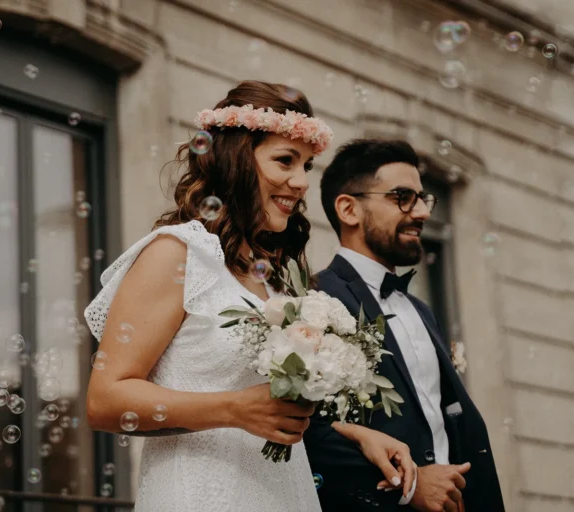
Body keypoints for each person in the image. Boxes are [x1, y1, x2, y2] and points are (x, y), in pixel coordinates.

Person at [84, 82, 416, 511]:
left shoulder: (275, 276)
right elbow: (105, 400)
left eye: (307, 166)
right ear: (237, 159)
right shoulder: (176, 254)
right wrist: (233, 409)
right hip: (201, 495)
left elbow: (267, 408)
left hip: (283, 492)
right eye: (284, 161)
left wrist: (354, 433)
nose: (299, 183)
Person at [305, 139, 505, 512]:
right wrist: (408, 488)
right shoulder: (313, 301)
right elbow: (307, 435)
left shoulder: (420, 310)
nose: (422, 213)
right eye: (402, 197)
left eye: (422, 198)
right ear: (349, 209)